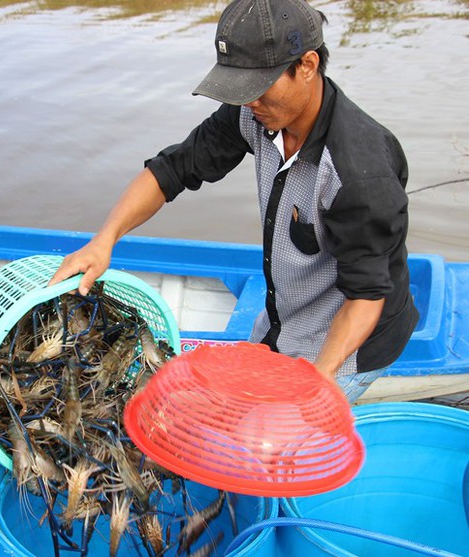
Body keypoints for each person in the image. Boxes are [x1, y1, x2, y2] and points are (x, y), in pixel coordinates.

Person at [49, 0, 419, 402]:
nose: (248, 103)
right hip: (286, 317)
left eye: (257, 89)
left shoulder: (359, 172)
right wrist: (104, 241)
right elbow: (172, 170)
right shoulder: (255, 115)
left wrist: (320, 377)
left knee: (276, 447)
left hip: (347, 346)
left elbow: (366, 296)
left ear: (307, 66)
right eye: (238, 90)